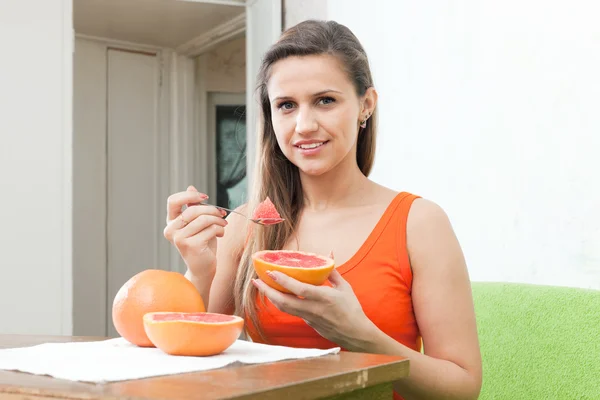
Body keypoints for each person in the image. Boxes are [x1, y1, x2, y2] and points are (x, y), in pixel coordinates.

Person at [163, 20, 482, 400]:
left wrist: (361, 336)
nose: (305, 125)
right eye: (286, 105)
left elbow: (463, 388)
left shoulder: (421, 224)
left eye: (325, 100)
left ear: (366, 105)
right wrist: (200, 270)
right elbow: (193, 365)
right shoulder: (244, 226)